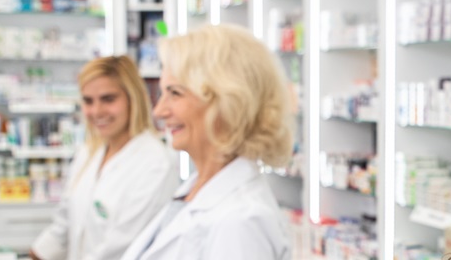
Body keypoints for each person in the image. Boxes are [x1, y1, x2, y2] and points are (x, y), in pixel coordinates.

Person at [120, 25, 294, 260]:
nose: (159, 111)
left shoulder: (241, 222)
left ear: (227, 102)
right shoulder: (197, 187)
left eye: (175, 93)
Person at [31, 56, 179, 260]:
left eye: (108, 99)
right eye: (88, 101)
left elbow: (120, 250)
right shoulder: (89, 152)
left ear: (132, 98)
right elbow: (63, 227)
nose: (97, 111)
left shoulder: (156, 163)